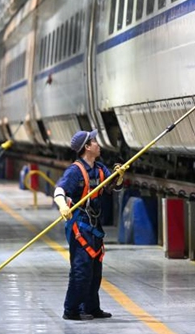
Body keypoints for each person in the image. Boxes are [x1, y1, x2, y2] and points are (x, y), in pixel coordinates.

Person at [53, 129, 124, 321]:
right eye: (94, 142)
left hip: (94, 226)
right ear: (87, 147)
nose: (98, 144)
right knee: (81, 270)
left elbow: (110, 187)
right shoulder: (75, 171)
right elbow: (59, 190)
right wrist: (62, 206)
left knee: (94, 270)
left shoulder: (100, 168)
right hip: (80, 225)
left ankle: (91, 307)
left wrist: (118, 177)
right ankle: (71, 310)